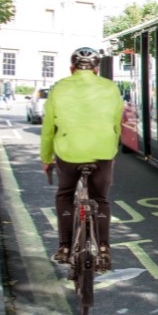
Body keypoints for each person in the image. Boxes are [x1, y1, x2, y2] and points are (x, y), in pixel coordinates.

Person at [40, 47, 124, 271]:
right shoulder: (111, 87)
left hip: (69, 152)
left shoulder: (59, 88)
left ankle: (66, 246)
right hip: (102, 153)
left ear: (71, 68)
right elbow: (117, 125)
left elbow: (48, 128)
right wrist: (111, 152)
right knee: (101, 198)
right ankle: (104, 248)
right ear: (96, 70)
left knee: (65, 194)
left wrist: (46, 158)